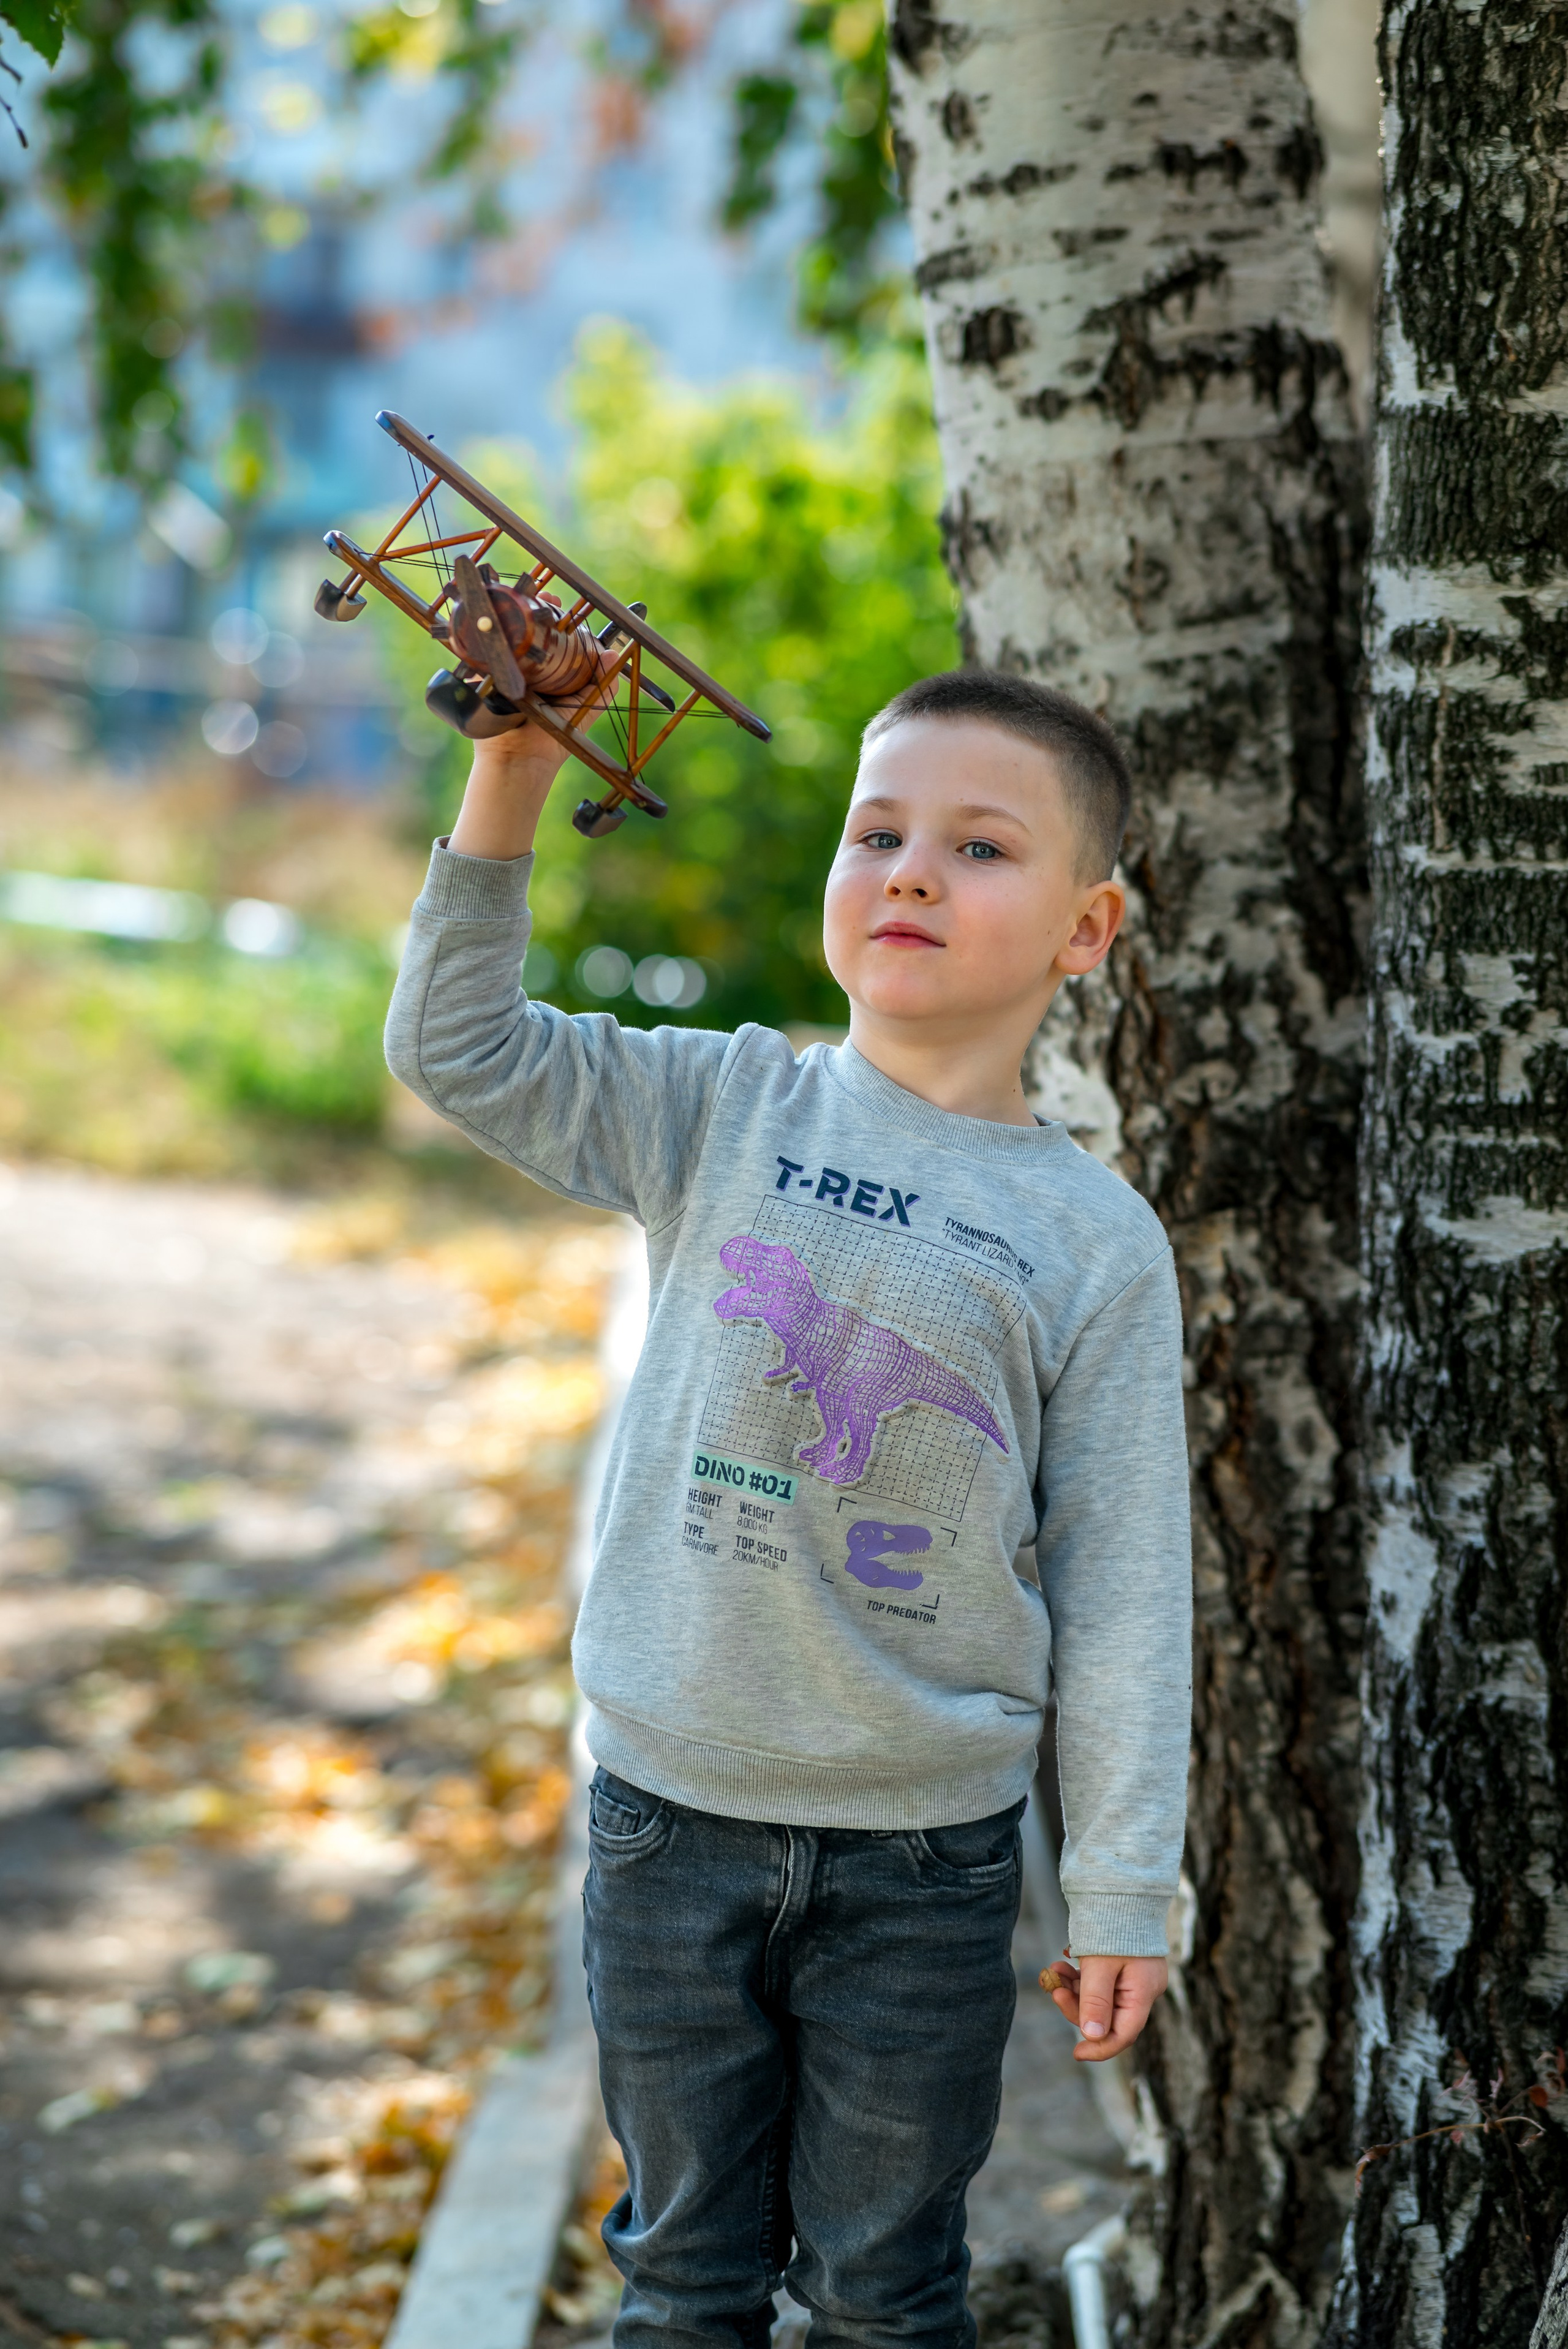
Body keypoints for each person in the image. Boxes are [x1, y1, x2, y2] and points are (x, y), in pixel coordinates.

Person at [385, 667, 1192, 2349]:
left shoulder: (1094, 1239)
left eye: (978, 847)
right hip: (668, 1823)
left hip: (928, 1863)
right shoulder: (724, 1106)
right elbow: (452, 1046)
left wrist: (1124, 1886)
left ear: (1087, 927)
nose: (908, 871)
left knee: (887, 2291)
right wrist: (516, 772)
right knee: (683, 2279)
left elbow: (1123, 1586)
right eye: (878, 830)